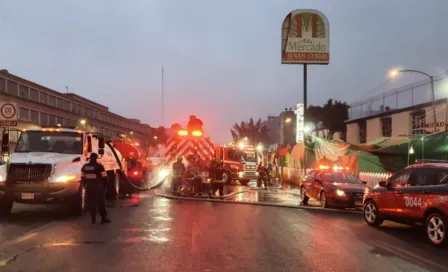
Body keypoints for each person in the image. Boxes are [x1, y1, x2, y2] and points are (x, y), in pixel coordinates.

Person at [81, 153, 111, 224]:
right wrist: (105, 186)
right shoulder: (99, 166)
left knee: (91, 203)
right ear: (96, 158)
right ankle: (103, 218)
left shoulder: (85, 167)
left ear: (90, 158)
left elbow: (82, 177)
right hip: (98, 188)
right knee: (101, 203)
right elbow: (104, 177)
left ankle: (93, 219)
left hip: (89, 188)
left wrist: (85, 185)